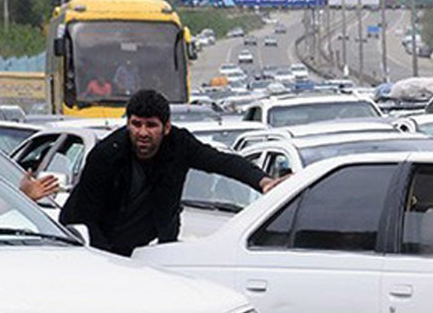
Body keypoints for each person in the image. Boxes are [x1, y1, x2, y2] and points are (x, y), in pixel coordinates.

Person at [60, 89, 285, 256]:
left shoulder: (179, 144)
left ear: (166, 128)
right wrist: (106, 257)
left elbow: (221, 161)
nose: (143, 133)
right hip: (103, 243)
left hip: (156, 244)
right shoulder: (107, 154)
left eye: (151, 125)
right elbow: (85, 214)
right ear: (128, 124)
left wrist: (263, 181)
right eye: (136, 124)